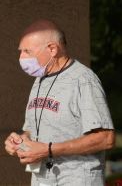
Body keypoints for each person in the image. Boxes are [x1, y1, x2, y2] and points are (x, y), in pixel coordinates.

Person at [4, 19, 115, 186]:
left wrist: (48, 150)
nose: (21, 58)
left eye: (27, 51)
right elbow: (31, 130)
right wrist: (21, 141)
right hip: (42, 180)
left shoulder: (83, 80)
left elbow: (106, 138)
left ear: (52, 49)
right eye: (21, 51)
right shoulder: (40, 79)